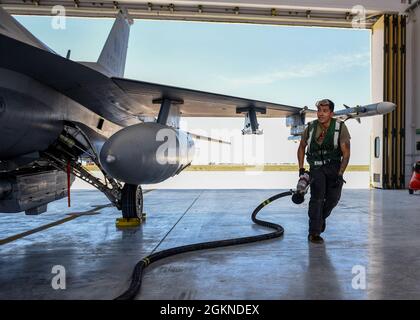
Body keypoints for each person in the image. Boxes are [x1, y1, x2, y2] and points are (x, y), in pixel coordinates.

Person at [297, 99, 351, 244]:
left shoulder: (340, 127)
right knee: (317, 199)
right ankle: (314, 232)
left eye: (325, 111)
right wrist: (301, 168)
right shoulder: (311, 127)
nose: (320, 114)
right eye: (319, 111)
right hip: (316, 168)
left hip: (333, 167)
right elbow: (302, 147)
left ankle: (320, 219)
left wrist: (340, 174)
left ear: (331, 113)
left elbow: (346, 153)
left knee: (333, 199)